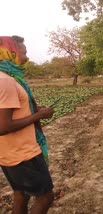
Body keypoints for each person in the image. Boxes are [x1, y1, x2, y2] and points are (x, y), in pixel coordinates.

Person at [0, 36, 55, 213]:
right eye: (23, 52)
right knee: (46, 196)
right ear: (10, 53)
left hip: (8, 153)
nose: (26, 57)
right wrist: (38, 115)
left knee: (21, 194)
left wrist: (36, 111)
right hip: (22, 153)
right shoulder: (6, 81)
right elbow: (3, 126)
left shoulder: (7, 77)